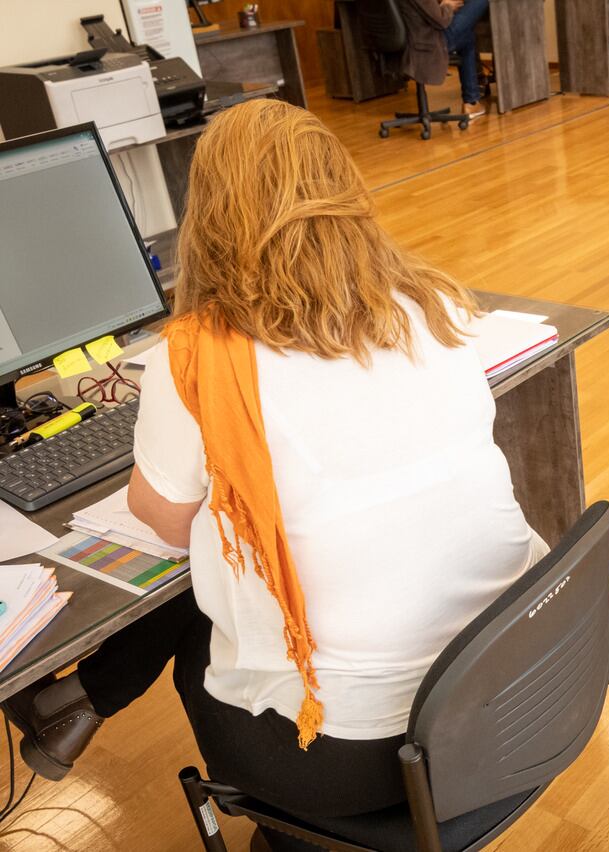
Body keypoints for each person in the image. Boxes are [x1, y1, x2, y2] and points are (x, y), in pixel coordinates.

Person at [0, 100, 547, 832]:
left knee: (207, 603)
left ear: (210, 218)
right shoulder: (432, 303)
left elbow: (163, 527)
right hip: (516, 698)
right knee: (258, 573)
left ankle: (280, 832)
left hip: (360, 759)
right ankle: (78, 705)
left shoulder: (194, 359)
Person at [399, 0, 490, 118]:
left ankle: (472, 101)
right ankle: (471, 100)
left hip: (418, 39)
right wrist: (447, 5)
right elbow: (441, 20)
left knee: (468, 38)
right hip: (432, 41)